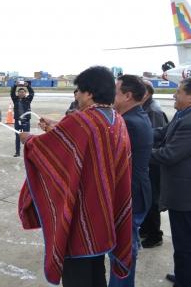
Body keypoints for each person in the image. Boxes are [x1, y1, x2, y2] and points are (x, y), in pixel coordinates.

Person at [18, 66, 133, 287]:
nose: (77, 95)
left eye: (78, 91)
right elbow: (79, 148)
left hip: (80, 213)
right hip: (103, 212)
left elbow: (48, 151)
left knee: (77, 275)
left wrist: (29, 140)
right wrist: (58, 130)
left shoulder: (84, 120)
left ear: (89, 93)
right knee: (96, 271)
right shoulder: (116, 120)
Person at [110, 75, 153, 287]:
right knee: (126, 248)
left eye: (115, 92)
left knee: (123, 252)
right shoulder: (136, 116)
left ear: (127, 96)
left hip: (131, 196)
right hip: (137, 193)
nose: (111, 96)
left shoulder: (128, 123)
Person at [150, 78, 191, 287]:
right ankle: (184, 274)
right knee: (182, 241)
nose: (174, 95)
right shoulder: (182, 114)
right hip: (179, 192)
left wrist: (138, 152)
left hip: (185, 195)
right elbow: (161, 134)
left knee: (185, 242)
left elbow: (169, 154)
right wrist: (138, 134)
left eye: (179, 92)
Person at [139, 80, 169, 248]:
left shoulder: (153, 110)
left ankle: (155, 235)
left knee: (152, 199)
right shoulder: (147, 107)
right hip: (149, 160)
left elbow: (154, 139)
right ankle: (146, 228)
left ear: (146, 93)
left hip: (152, 162)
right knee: (147, 198)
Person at [10, 80, 34, 157]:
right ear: (18, 93)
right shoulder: (15, 99)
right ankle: (17, 152)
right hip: (18, 122)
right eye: (20, 92)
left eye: (23, 92)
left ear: (25, 93)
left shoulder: (28, 99)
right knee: (17, 137)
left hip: (26, 121)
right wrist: (15, 86)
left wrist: (27, 86)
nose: (21, 93)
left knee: (27, 137)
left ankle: (28, 152)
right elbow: (12, 93)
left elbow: (32, 93)